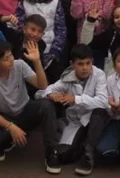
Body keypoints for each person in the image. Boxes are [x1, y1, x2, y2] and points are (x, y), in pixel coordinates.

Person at [0, 39, 61, 174]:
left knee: (46, 105)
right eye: (6, 59)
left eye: (11, 55)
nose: (11, 59)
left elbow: (42, 85)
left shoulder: (20, 65)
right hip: (5, 117)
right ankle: (6, 141)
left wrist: (37, 61)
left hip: (24, 110)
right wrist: (11, 127)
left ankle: (52, 151)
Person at [36, 45, 109, 175]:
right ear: (72, 64)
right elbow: (40, 92)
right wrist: (50, 95)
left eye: (88, 63)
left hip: (94, 120)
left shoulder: (99, 74)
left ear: (92, 61)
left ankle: (89, 156)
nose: (85, 67)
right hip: (76, 122)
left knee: (100, 112)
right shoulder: (67, 78)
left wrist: (76, 99)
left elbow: (103, 101)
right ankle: (83, 145)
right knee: (63, 156)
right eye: (80, 64)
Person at [16, 0, 67, 72]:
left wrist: (55, 51)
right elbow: (20, 25)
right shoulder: (25, 1)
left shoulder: (56, 2)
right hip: (29, 49)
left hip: (49, 50)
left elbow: (61, 28)